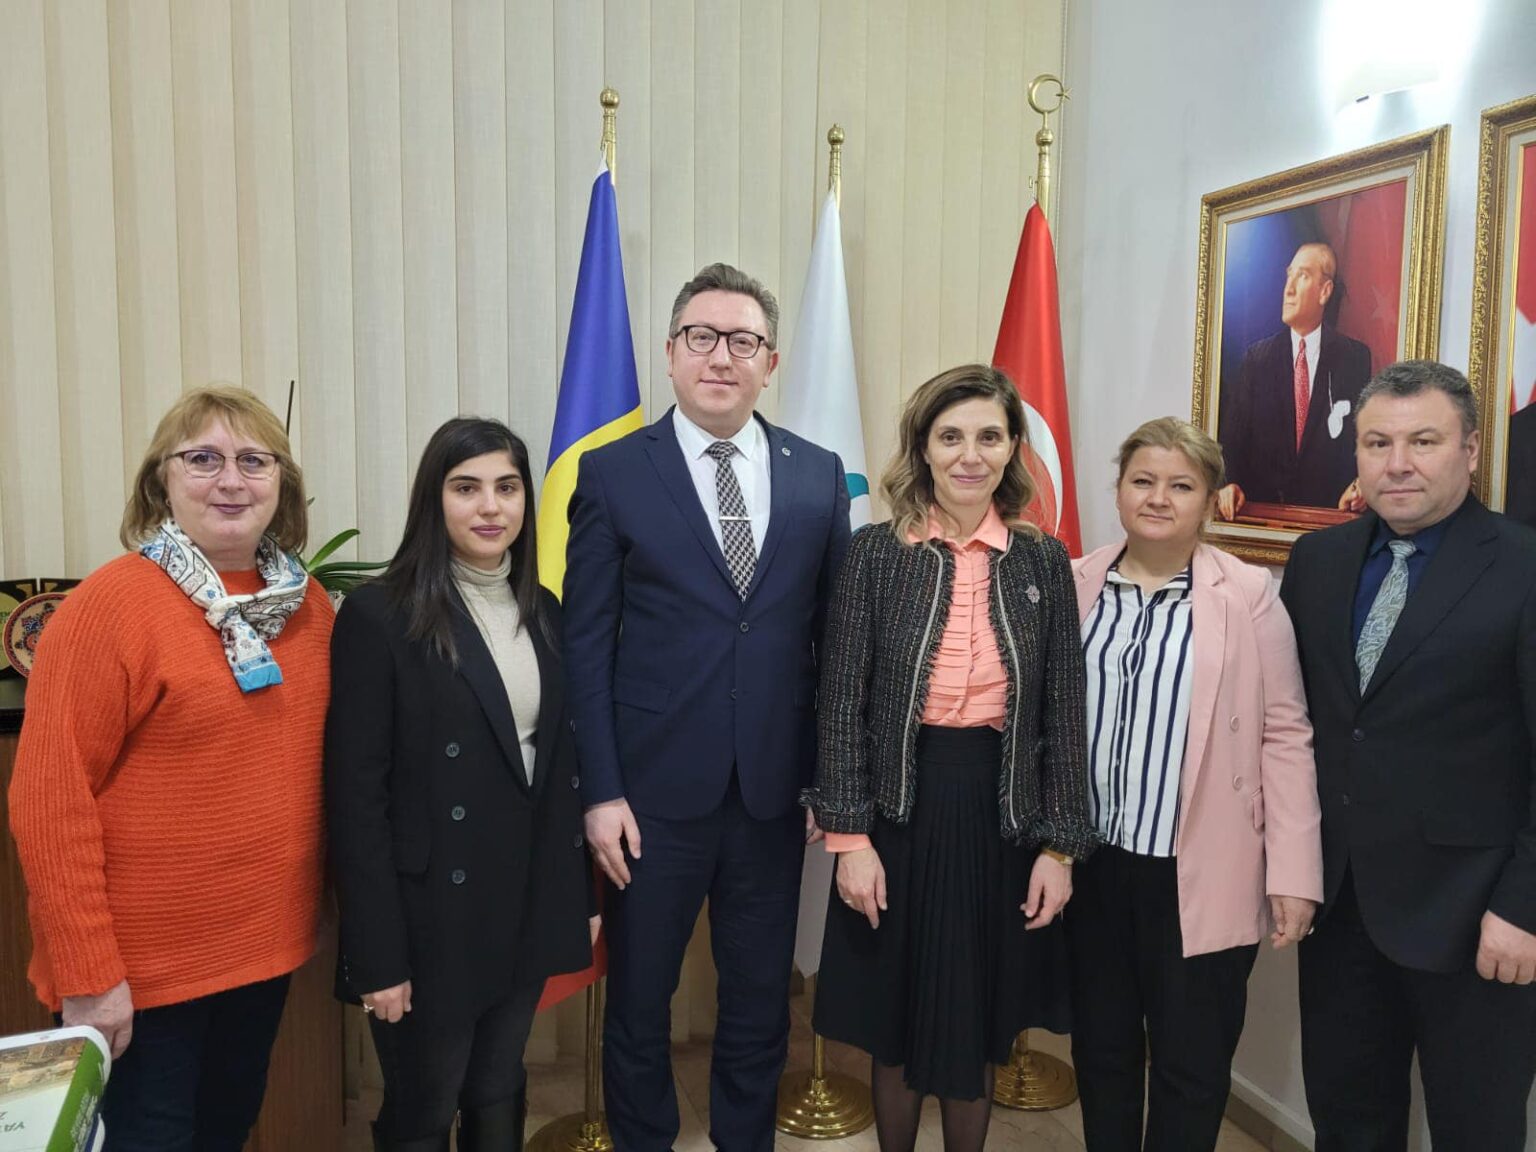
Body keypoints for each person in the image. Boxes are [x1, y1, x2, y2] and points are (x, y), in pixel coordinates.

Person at [562, 262, 850, 1152]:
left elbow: (836, 647)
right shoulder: (614, 472)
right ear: (670, 352)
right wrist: (600, 790)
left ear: (771, 361)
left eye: (743, 341)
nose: (721, 356)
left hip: (772, 795)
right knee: (639, 1002)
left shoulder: (817, 476)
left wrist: (828, 780)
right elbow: (585, 646)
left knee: (760, 1003)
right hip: (648, 799)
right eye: (702, 337)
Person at [8, 385, 334, 1151]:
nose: (231, 481)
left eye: (254, 461)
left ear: (281, 483)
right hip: (139, 974)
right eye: (203, 459)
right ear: (161, 480)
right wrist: (89, 974)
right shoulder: (111, 605)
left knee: (225, 1130)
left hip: (261, 952)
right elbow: (49, 803)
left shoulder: (307, 606)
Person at [802, 364, 1095, 1152]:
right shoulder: (875, 553)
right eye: (951, 436)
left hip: (1001, 818)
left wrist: (1061, 847)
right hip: (897, 814)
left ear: (1012, 448)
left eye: (989, 437)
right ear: (923, 449)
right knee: (894, 1018)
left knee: (976, 1020)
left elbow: (1064, 710)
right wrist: (849, 840)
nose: (971, 455)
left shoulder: (1042, 560)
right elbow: (841, 702)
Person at [1280, 360, 1536, 1149]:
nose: (1397, 464)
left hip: (1475, 917)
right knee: (1347, 1122)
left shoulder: (1524, 566)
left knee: (1476, 1130)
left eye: (1423, 441)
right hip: (1340, 907)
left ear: (1470, 449)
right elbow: (1297, 728)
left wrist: (1524, 909)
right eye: (1377, 442)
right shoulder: (1317, 562)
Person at [325, 418, 596, 1152]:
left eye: (507, 487)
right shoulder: (380, 615)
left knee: (498, 1085)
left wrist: (577, 897)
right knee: (426, 1101)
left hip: (521, 899)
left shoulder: (543, 610)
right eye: (466, 487)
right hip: (427, 918)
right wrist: (377, 955)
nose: (490, 507)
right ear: (433, 499)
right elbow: (356, 801)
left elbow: (556, 772)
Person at [1069, 417, 1322, 1151]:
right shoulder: (1076, 581)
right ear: (1118, 489)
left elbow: (1286, 733)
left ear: (1210, 500)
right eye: (1142, 481)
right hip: (1090, 865)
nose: (1158, 498)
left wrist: (1295, 873)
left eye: (1180, 485)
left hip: (1200, 870)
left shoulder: (1248, 593)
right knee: (1102, 1051)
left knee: (1192, 1062)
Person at [1216, 241, 1372, 517]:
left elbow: (1365, 440)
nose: (1288, 289)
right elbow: (1233, 442)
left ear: (1325, 291)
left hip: (1328, 520)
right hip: (1264, 518)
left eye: (1302, 276)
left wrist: (1360, 485)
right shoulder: (1258, 358)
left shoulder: (1354, 358)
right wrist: (1229, 484)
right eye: (1289, 275)